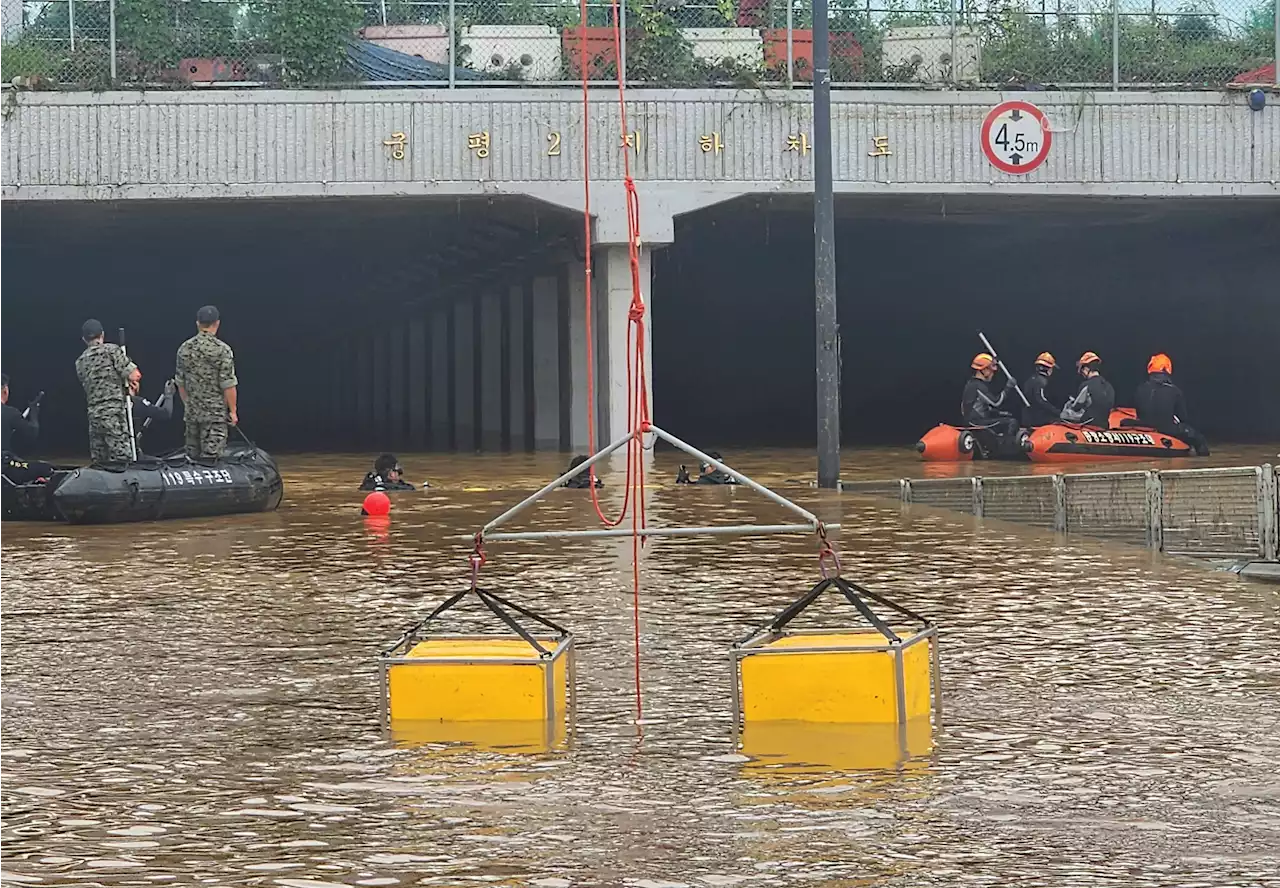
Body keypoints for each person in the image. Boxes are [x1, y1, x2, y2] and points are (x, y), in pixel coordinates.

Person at [175, 305, 238, 464]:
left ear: (198, 323)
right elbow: (228, 384)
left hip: (192, 414)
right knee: (211, 461)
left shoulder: (184, 349)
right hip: (214, 415)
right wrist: (232, 411)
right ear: (217, 323)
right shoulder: (222, 350)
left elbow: (180, 383)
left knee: (192, 459)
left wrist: (188, 405)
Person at [75, 319, 142, 466]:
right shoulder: (111, 350)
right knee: (121, 459)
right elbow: (135, 375)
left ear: (84, 339)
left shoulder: (80, 362)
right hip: (113, 413)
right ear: (102, 335)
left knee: (100, 461)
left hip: (94, 414)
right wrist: (132, 383)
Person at [1133, 354, 1210, 456]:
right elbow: (1183, 416)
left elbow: (1138, 411)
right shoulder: (1174, 391)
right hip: (1166, 428)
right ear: (1167, 370)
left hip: (1143, 426)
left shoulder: (1140, 389)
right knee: (1199, 439)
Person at [0, 374, 53, 485]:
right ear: (5, 391)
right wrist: (34, 413)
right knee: (46, 469)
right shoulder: (9, 413)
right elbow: (32, 432)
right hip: (5, 468)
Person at [961, 353, 1019, 439]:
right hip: (976, 422)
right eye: (991, 370)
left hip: (973, 421)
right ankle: (1006, 450)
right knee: (1012, 422)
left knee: (1005, 417)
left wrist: (999, 413)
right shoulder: (978, 386)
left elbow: (980, 406)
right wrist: (1008, 387)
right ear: (983, 370)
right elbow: (996, 402)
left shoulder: (971, 383)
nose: (993, 373)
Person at [1060, 351, 1115, 428]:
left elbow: (1077, 407)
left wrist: (1070, 404)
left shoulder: (1086, 385)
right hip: (1104, 426)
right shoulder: (1109, 386)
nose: (1082, 374)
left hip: (1088, 426)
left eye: (1082, 371)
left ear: (1086, 368)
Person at [1021, 352, 1061, 427]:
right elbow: (1040, 400)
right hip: (1038, 419)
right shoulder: (1042, 381)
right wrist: (1057, 411)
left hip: (1027, 416)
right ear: (1048, 368)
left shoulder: (1029, 380)